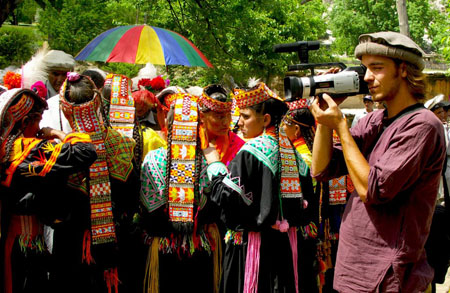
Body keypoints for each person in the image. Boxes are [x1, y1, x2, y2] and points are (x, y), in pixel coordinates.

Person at [310, 31, 446, 292]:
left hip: (388, 275)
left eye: (377, 68)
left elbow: (373, 190)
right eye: (365, 69)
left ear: (403, 70)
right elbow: (322, 169)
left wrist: (340, 126)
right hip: (354, 269)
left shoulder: (422, 125)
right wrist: (324, 121)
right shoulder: (373, 121)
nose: (367, 77)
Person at [139, 85, 244, 293]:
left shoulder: (152, 158)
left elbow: (147, 209)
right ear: (198, 124)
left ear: (169, 123)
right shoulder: (211, 162)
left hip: (163, 247)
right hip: (204, 245)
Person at [203, 81, 298, 292]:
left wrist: (214, 163)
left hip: (252, 248)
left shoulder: (253, 150)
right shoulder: (290, 149)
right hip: (283, 245)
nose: (240, 122)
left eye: (245, 116)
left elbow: (226, 197)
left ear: (265, 119)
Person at [52, 73, 142, 293]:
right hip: (116, 239)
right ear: (99, 101)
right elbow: (132, 197)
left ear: (65, 109)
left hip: (73, 244)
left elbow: (54, 207)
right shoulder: (122, 144)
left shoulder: (62, 153)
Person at [0, 88, 96, 293]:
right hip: (25, 243)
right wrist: (57, 133)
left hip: (12, 236)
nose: (39, 129)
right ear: (25, 122)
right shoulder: (29, 149)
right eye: (37, 122)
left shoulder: (6, 148)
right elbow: (86, 151)